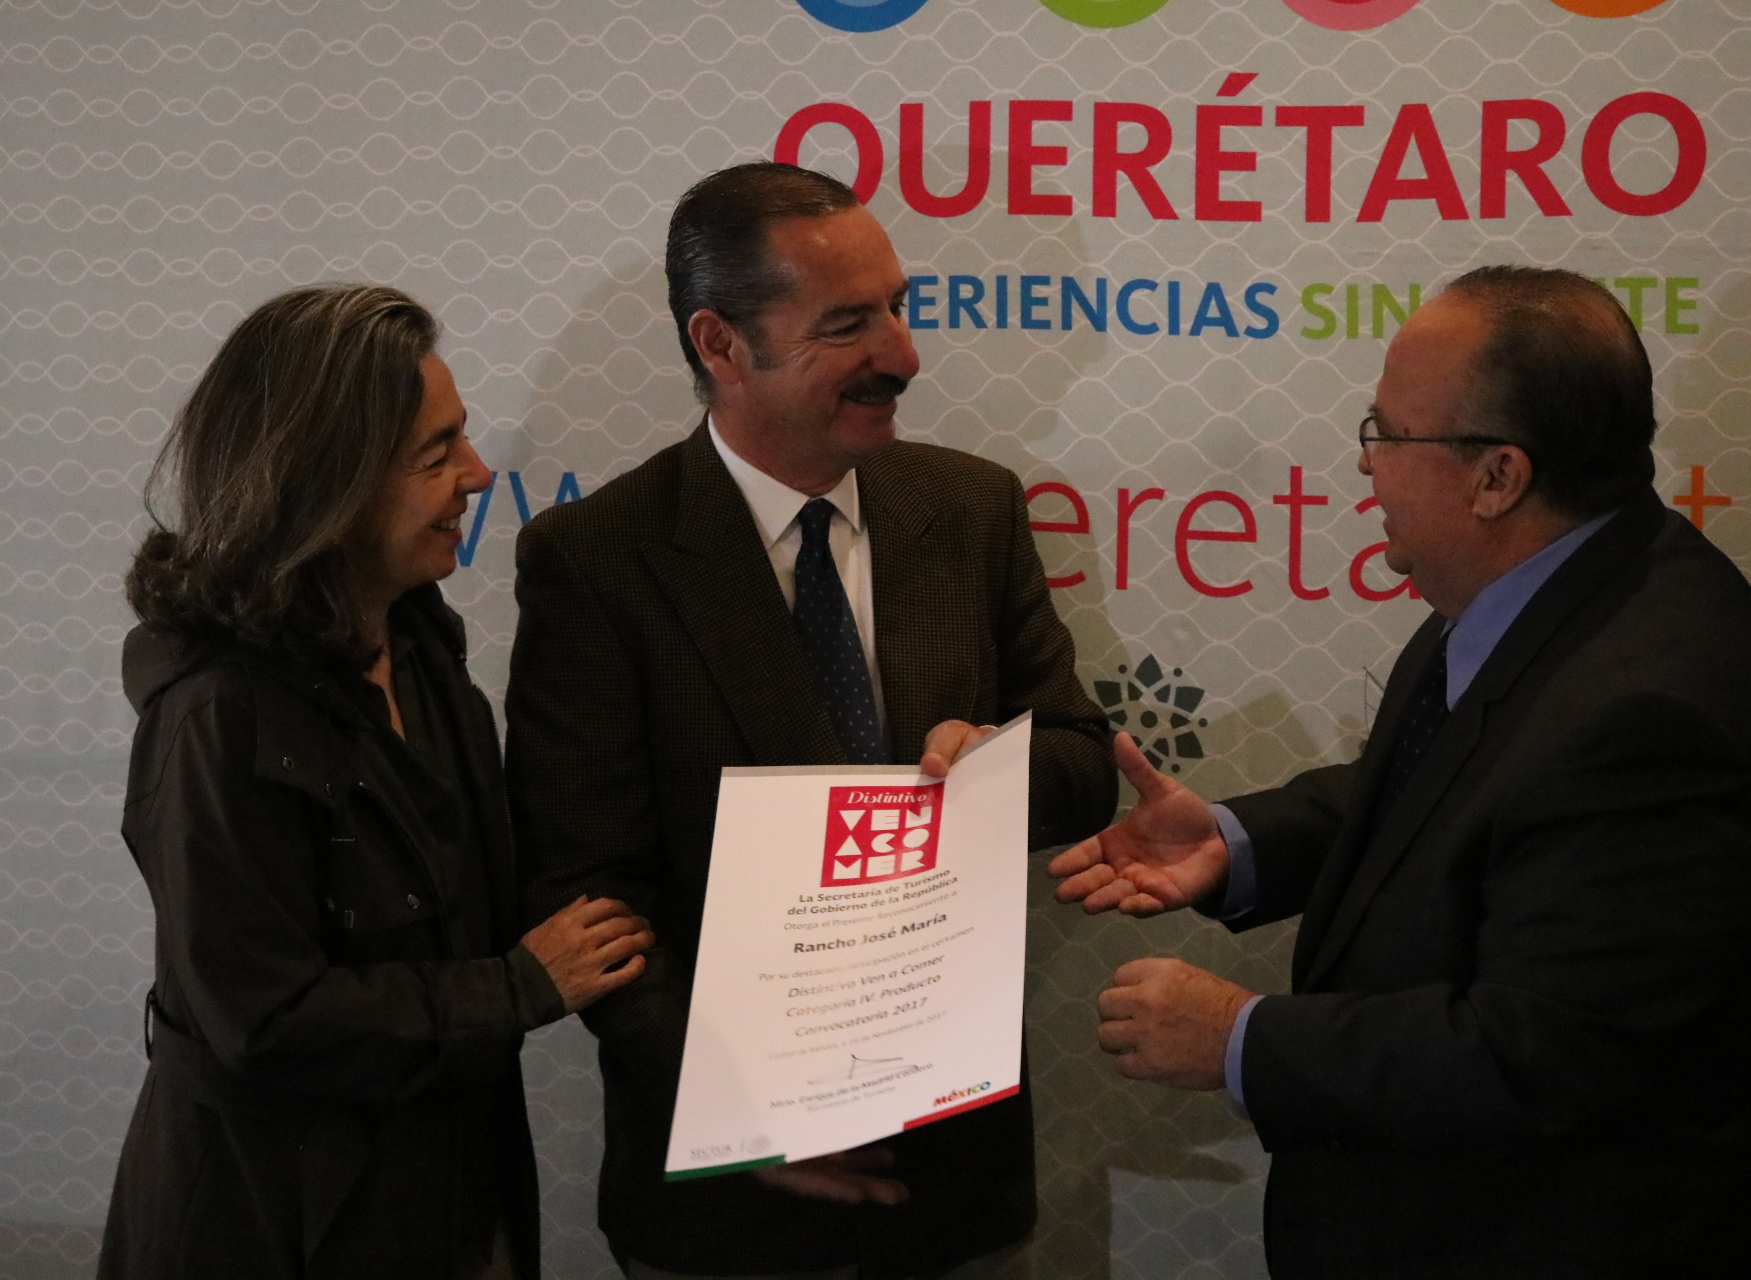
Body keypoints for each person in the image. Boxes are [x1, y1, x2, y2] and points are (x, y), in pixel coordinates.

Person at [1050, 266, 1751, 1277]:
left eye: (1387, 433)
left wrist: (1242, 1040)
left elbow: (1537, 1054)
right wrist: (1237, 841)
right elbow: (1466, 793)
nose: (1365, 464)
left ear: (1497, 477)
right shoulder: (1564, 582)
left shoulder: (1648, 715)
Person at [505, 161, 1116, 1280]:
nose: (903, 354)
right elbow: (586, 892)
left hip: (956, 1182)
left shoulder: (972, 507)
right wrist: (747, 1110)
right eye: (848, 325)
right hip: (731, 1207)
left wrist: (994, 773)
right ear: (720, 344)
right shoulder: (598, 561)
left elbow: (1083, 764)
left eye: (898, 308)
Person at [99, 285, 652, 1280]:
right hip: (281, 1223)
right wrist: (519, 986)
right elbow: (264, 1018)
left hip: (449, 1189)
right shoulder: (216, 716)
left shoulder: (422, 642)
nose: (477, 476)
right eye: (435, 455)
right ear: (324, 485)